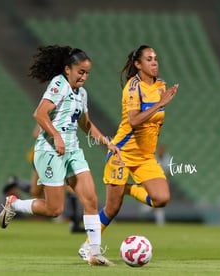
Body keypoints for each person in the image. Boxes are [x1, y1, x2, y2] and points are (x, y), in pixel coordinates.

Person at [0, 45, 120, 266]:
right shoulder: (59, 84)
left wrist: (107, 142)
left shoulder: (82, 94)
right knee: (54, 210)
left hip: (72, 150)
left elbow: (86, 125)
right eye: (80, 72)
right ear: (67, 69)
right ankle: (14, 204)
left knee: (91, 198)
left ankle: (94, 252)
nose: (84, 76)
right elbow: (39, 113)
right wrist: (56, 136)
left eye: (87, 73)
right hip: (50, 150)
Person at [78, 45, 179, 259]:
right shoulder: (133, 88)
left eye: (156, 58)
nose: (154, 62)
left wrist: (161, 102)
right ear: (138, 64)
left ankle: (127, 189)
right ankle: (87, 246)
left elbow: (154, 122)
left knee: (161, 199)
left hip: (145, 157)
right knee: (112, 209)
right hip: (121, 154)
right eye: (149, 59)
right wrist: (161, 103)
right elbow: (133, 120)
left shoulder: (160, 85)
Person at [140, 144, 172, 224]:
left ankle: (159, 222)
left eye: (162, 150)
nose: (160, 151)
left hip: (162, 182)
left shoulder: (167, 159)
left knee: (159, 202)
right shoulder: (154, 158)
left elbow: (169, 172)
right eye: (159, 150)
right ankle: (142, 215)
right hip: (153, 182)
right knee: (155, 201)